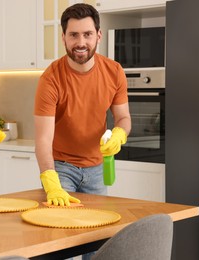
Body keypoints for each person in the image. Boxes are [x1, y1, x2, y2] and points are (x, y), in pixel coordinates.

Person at [34, 3, 131, 207]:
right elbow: (43, 138)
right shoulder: (51, 78)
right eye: (73, 35)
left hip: (97, 167)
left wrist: (119, 134)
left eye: (87, 34)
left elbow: (123, 118)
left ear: (98, 35)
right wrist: (51, 181)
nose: (81, 42)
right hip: (61, 168)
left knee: (98, 228)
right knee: (63, 226)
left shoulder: (114, 72)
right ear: (64, 38)